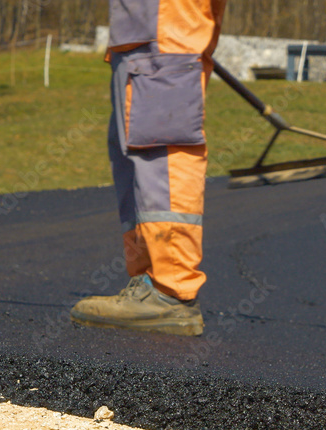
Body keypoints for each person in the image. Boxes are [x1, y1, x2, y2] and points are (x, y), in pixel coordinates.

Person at [70, 0, 227, 337]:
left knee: (160, 146)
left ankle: (170, 289)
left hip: (164, 26)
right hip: (145, 32)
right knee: (134, 151)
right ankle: (149, 281)